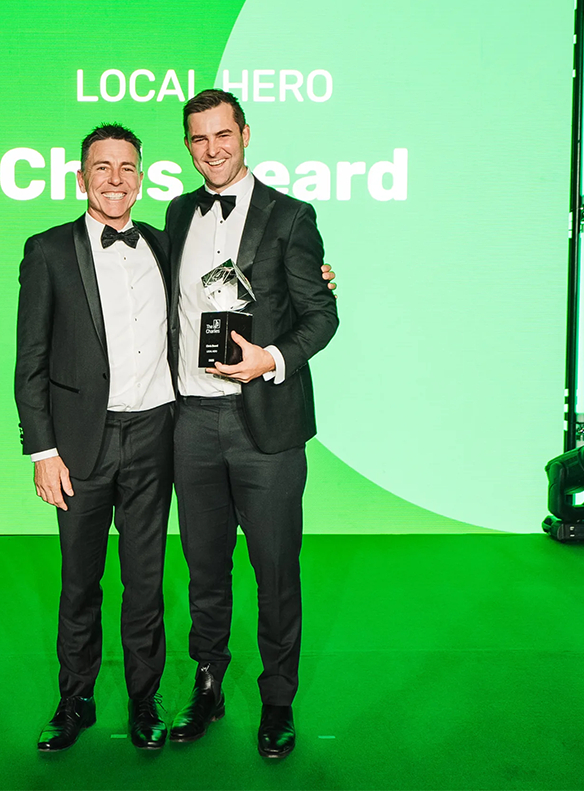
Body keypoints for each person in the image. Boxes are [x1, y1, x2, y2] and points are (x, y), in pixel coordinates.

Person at [164, 90, 339, 759]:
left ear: (244, 133)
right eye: (198, 138)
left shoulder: (291, 216)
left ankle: (277, 701)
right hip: (190, 420)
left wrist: (272, 357)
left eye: (222, 134)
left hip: (265, 423)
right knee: (205, 570)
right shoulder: (177, 213)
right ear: (188, 146)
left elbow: (321, 315)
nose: (212, 149)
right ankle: (208, 686)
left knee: (275, 571)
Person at [15, 123, 175, 752]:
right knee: (80, 581)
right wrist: (42, 450)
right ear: (81, 178)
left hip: (155, 433)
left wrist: (312, 279)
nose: (115, 179)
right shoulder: (48, 250)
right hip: (81, 443)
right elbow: (30, 360)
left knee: (146, 580)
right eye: (102, 168)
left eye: (127, 167)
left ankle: (144, 699)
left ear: (142, 177)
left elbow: (228, 295)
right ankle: (74, 698)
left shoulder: (164, 244)